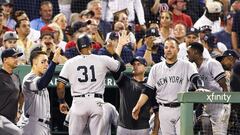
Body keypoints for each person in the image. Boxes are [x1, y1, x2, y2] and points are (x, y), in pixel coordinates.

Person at [132, 37, 205, 135]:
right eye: (166, 47)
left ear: (178, 50)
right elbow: (147, 90)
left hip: (182, 108)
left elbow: (196, 78)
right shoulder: (156, 68)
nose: (168, 50)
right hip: (163, 109)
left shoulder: (186, 65)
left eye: (172, 47)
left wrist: (200, 87)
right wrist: (138, 106)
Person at [56, 34, 125, 135]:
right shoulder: (102, 59)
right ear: (91, 46)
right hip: (96, 103)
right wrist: (113, 52)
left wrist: (62, 101)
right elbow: (122, 67)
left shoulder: (70, 63)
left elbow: (60, 86)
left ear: (78, 49)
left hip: (78, 103)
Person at [187, 42, 230, 135]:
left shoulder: (212, 63)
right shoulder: (193, 68)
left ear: (195, 52)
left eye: (188, 52)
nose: (187, 54)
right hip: (206, 106)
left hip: (219, 105)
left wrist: (226, 105)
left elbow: (224, 85)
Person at [111, 56, 159, 135]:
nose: (135, 66)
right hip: (123, 128)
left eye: (138, 64)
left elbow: (157, 111)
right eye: (134, 64)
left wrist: (155, 130)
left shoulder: (150, 87)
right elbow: (113, 67)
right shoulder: (125, 81)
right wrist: (117, 49)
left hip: (142, 128)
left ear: (145, 68)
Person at [21, 48, 63, 135]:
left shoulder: (39, 78)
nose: (46, 64)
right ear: (34, 63)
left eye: (47, 62)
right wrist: (54, 62)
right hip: (33, 125)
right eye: (43, 62)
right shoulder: (29, 78)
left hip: (42, 125)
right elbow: (41, 84)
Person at [0, 48, 23, 135]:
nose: (16, 59)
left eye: (17, 57)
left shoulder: (16, 77)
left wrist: (20, 110)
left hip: (12, 120)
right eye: (14, 57)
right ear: (5, 60)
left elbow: (21, 95)